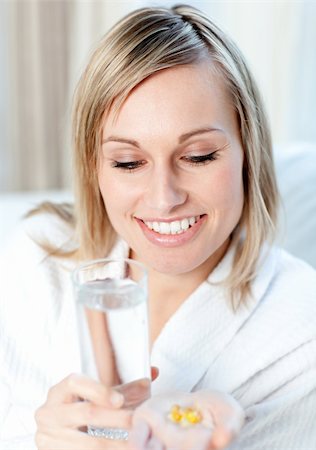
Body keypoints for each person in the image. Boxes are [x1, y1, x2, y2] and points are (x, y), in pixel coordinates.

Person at [1, 4, 316, 450]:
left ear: (249, 152)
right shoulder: (35, 259)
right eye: (129, 162)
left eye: (199, 156)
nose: (164, 197)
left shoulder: (303, 328)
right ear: (95, 168)